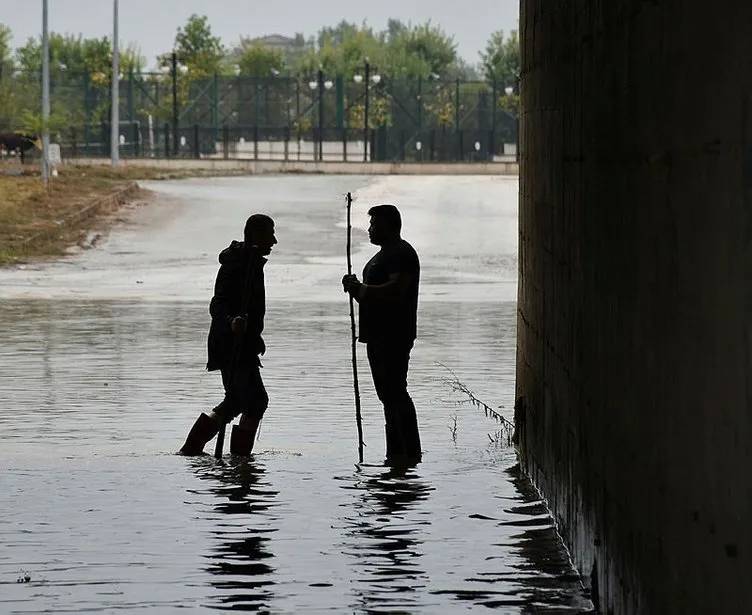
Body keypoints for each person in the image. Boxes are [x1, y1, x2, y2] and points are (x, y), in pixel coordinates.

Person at [179, 214, 277, 456]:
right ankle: (238, 460)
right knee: (256, 401)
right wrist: (231, 322)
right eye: (269, 234)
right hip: (230, 343)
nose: (274, 241)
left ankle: (198, 451)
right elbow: (218, 304)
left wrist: (254, 335)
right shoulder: (236, 264)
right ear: (255, 235)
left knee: (237, 401)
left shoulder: (252, 263)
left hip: (243, 342)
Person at [342, 204, 421, 463]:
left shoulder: (400, 253)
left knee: (395, 392)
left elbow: (396, 290)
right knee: (388, 394)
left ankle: (407, 453)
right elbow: (374, 295)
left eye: (374, 224)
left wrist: (361, 290)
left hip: (393, 335)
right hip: (378, 335)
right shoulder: (386, 254)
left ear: (388, 225)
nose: (370, 229)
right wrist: (356, 289)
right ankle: (397, 455)